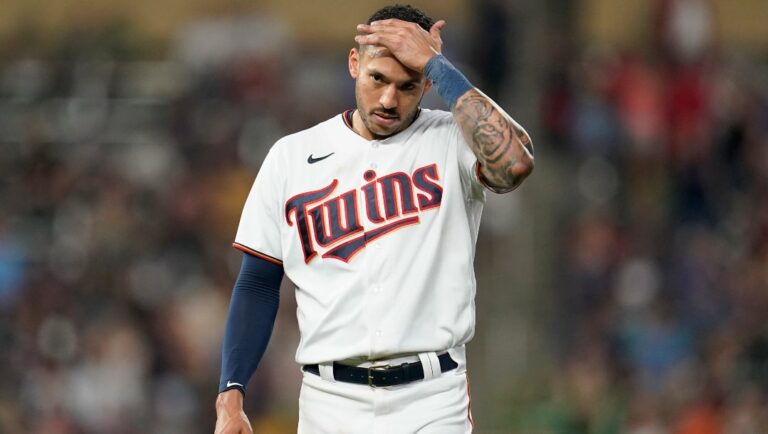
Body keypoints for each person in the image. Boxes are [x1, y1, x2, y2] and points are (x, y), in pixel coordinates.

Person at [214, 4, 534, 433]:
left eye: (408, 85)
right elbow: (256, 281)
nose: (388, 99)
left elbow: (514, 163)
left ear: (426, 84)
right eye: (377, 78)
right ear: (353, 63)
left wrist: (438, 65)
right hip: (330, 401)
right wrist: (231, 392)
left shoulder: (452, 140)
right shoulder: (290, 157)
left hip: (432, 398)